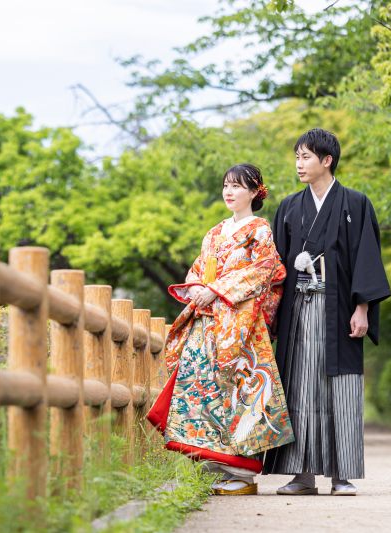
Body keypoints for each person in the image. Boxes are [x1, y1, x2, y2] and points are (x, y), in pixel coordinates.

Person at [147, 164, 294, 496]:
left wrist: (217, 290)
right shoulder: (214, 233)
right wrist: (199, 288)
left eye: (238, 186)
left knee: (238, 391)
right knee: (203, 390)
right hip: (208, 320)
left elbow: (267, 272)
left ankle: (242, 474)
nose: (229, 192)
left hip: (241, 324)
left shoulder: (260, 231)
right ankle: (212, 467)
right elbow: (198, 269)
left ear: (256, 192)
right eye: (226, 185)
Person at [262, 129, 391, 496]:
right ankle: (301, 473)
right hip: (298, 312)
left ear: (326, 160)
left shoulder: (355, 203)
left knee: (342, 389)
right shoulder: (289, 206)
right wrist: (270, 317)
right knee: (299, 389)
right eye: (297, 157)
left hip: (340, 311)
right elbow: (276, 269)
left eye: (305, 157)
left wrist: (363, 308)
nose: (298, 164)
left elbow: (367, 258)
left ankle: (341, 474)